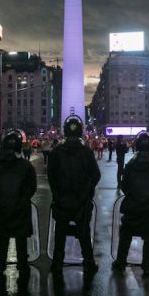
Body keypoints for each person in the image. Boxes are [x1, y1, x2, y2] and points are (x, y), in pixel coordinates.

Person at [47, 116, 101, 275]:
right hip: (82, 202)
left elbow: (51, 175)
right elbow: (96, 175)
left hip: (62, 201)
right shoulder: (86, 151)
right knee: (83, 233)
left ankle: (57, 263)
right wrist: (87, 191)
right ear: (81, 131)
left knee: (60, 233)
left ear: (64, 130)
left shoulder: (56, 151)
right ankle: (89, 263)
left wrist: (57, 193)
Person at [112, 132, 149, 277]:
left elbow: (124, 186)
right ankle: (147, 265)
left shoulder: (131, 165)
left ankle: (121, 262)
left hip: (133, 208)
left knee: (126, 234)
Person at [0, 130, 37, 277]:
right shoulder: (26, 166)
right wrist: (23, 199)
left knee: (3, 240)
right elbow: (32, 187)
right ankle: (23, 266)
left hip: (3, 207)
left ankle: (0, 266)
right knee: (21, 240)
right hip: (21, 208)